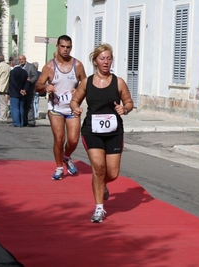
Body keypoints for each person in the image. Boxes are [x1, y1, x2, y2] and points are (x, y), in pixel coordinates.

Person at [70, 43, 133, 223]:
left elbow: (129, 102)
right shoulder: (86, 82)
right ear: (95, 61)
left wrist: (125, 109)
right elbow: (75, 101)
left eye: (109, 58)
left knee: (112, 173)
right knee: (98, 168)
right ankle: (99, 208)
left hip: (114, 132)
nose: (106, 62)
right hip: (92, 131)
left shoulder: (118, 82)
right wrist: (76, 109)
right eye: (102, 58)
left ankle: (102, 184)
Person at [35, 35, 86, 180]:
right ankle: (59, 168)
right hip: (56, 108)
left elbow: (86, 83)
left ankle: (66, 156)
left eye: (68, 47)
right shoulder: (50, 66)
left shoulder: (77, 65)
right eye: (62, 46)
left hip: (72, 108)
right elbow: (37, 86)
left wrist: (78, 90)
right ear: (57, 47)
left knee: (74, 140)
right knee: (59, 139)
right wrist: (46, 87)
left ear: (71, 48)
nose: (65, 50)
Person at [8, 57, 29, 127]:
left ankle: (16, 123)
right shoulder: (24, 72)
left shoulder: (12, 72)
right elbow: (27, 82)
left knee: (15, 108)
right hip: (23, 93)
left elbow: (14, 83)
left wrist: (19, 90)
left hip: (15, 93)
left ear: (13, 64)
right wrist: (24, 90)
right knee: (21, 108)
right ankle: (22, 122)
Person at [19, 54, 38, 127]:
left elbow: (35, 76)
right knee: (23, 105)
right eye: (20, 60)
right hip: (22, 90)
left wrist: (31, 80)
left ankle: (31, 121)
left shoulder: (31, 66)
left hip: (30, 89)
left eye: (22, 59)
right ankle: (24, 120)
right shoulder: (19, 67)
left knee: (29, 105)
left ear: (25, 59)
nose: (21, 61)